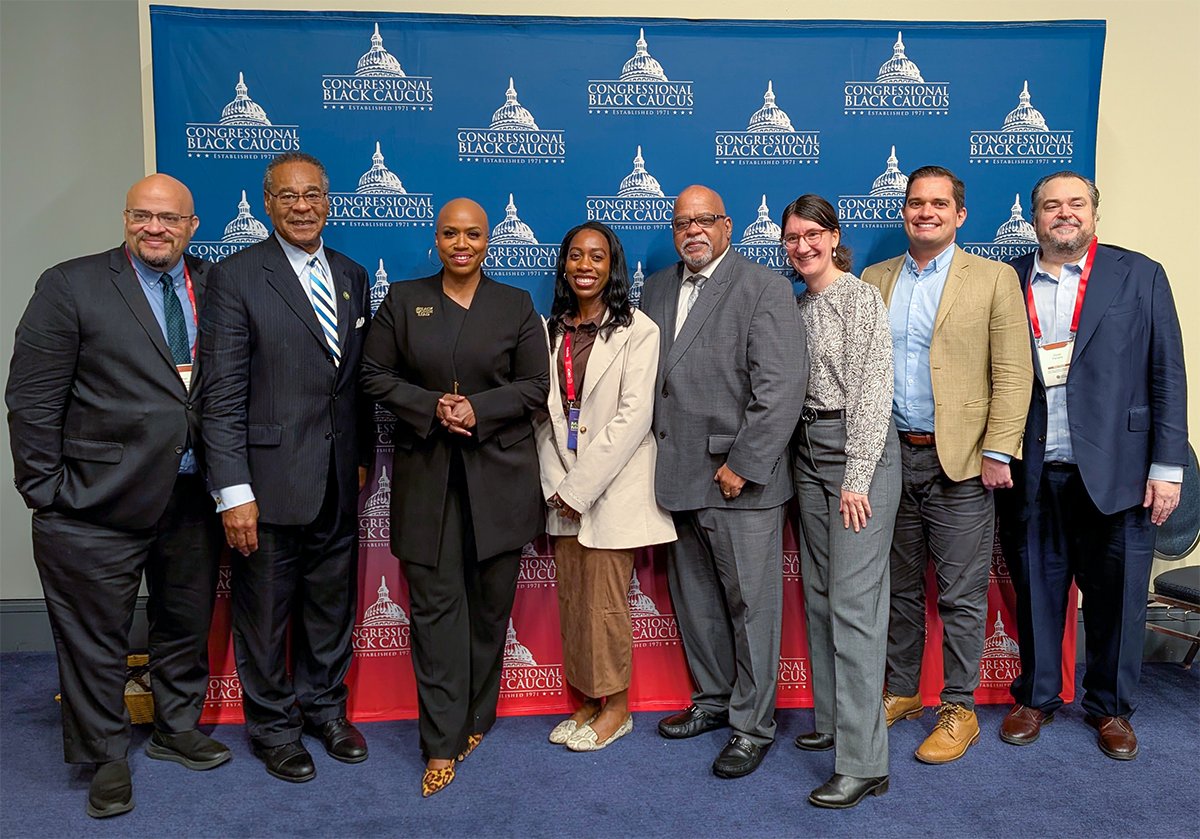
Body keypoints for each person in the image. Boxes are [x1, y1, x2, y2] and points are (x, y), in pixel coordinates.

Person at [6, 174, 227, 818]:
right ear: (125, 218)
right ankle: (105, 754)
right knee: (93, 637)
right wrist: (45, 490)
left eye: (169, 219)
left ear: (191, 225)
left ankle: (174, 727)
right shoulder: (70, 284)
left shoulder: (213, 286)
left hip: (190, 494)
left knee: (183, 622)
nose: (154, 228)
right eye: (141, 215)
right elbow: (32, 395)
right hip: (91, 499)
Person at [996, 172, 1187, 760]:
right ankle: (1037, 696)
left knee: (1119, 599)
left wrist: (1168, 467)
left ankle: (1110, 708)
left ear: (1094, 214)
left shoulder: (1141, 274)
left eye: (1076, 203)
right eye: (1051, 205)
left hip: (1121, 471)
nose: (1064, 213)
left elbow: (1167, 375)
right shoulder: (1010, 280)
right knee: (1037, 593)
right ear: (1034, 218)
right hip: (1034, 468)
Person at [361, 198, 548, 797]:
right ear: (435, 240)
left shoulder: (515, 304)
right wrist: (432, 407)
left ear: (488, 240)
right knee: (438, 613)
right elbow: (373, 375)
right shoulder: (403, 300)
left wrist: (479, 407)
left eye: (472, 233)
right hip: (428, 482)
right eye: (449, 233)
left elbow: (536, 386)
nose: (461, 243)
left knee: (490, 611)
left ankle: (475, 717)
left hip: (500, 481)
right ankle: (439, 742)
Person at [199, 152, 373, 783]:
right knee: (266, 614)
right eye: (289, 196)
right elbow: (219, 397)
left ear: (329, 200)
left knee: (331, 607)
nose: (303, 206)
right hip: (265, 485)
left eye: (314, 195)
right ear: (267, 203)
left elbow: (351, 388)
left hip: (335, 481)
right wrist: (233, 491)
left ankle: (325, 711)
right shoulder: (237, 277)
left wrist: (355, 461)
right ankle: (273, 727)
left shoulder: (352, 275)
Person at [861, 165, 1032, 764]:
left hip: (960, 462)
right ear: (902, 212)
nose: (924, 212)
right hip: (890, 457)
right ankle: (904, 690)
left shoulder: (992, 278)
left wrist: (996, 450)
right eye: (914, 203)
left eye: (938, 203)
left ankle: (958, 706)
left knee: (961, 594)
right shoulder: (875, 278)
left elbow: (1014, 372)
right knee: (900, 590)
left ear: (960, 214)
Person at [641, 185, 806, 779]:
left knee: (750, 607)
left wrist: (744, 465)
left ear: (728, 225)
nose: (693, 231)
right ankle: (712, 701)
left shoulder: (763, 287)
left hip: (739, 479)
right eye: (683, 222)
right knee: (698, 603)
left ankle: (752, 726)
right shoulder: (657, 285)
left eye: (705, 220)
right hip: (674, 475)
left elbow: (781, 390)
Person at [535, 221, 676, 753]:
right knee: (574, 600)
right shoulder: (551, 331)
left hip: (610, 490)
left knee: (605, 606)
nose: (585, 266)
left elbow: (633, 418)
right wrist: (558, 485)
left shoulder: (639, 329)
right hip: (561, 489)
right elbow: (543, 419)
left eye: (597, 256)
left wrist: (580, 489)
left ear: (612, 265)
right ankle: (590, 700)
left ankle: (617, 708)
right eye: (575, 256)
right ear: (564, 265)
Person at [782, 195, 899, 807]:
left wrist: (857, 475)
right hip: (808, 450)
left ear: (834, 236)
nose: (803, 246)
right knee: (823, 597)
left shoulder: (858, 298)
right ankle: (832, 722)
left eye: (813, 234)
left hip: (860, 454)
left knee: (854, 606)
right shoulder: (798, 305)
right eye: (792, 237)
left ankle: (864, 763)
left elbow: (875, 392)